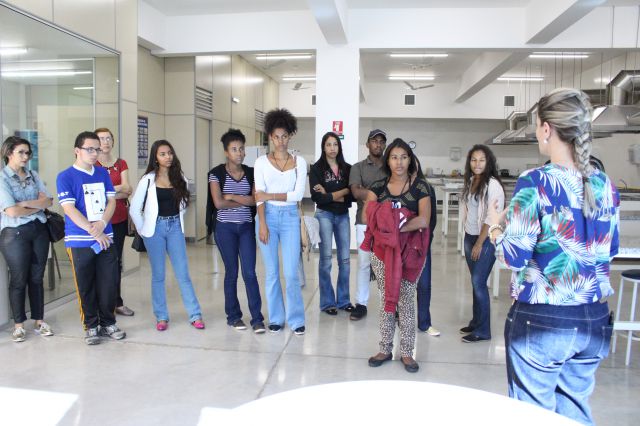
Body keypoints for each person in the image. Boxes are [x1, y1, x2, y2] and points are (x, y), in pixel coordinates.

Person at [488, 88, 619, 425]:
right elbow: (610, 250)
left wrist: (495, 228)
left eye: (537, 126)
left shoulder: (535, 181)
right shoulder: (605, 185)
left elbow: (514, 258)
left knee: (532, 416)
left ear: (546, 129)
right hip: (594, 320)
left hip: (543, 321)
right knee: (574, 413)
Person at [363, 138, 431, 373]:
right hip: (382, 252)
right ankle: (384, 348)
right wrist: (394, 224)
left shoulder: (420, 187)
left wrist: (390, 226)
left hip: (411, 252)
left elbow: (423, 220)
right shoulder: (377, 187)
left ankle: (407, 352)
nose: (399, 162)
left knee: (406, 299)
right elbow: (367, 217)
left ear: (410, 160)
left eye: (403, 157)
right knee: (387, 298)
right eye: (394, 157)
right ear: (388, 160)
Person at [57, 131, 126, 345]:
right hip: (80, 240)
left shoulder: (102, 173)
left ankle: (108, 323)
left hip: (106, 237)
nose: (95, 153)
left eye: (97, 149)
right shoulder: (65, 176)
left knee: (108, 283)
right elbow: (69, 208)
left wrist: (103, 224)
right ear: (77, 151)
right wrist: (93, 230)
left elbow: (111, 201)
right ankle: (91, 326)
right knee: (85, 286)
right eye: (90, 149)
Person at [130, 140, 204, 331]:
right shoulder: (147, 180)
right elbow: (135, 209)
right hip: (154, 230)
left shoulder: (179, 177)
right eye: (162, 154)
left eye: (170, 153)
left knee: (183, 274)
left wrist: (177, 220)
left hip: (175, 228)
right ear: (155, 157)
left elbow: (184, 204)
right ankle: (161, 317)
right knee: (158, 275)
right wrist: (144, 231)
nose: (168, 157)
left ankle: (195, 315)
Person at [254, 108, 307, 335]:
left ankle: (296, 319)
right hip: (267, 217)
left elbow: (297, 195)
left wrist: (269, 195)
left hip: (290, 218)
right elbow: (258, 196)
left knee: (292, 273)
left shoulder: (299, 162)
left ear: (290, 136)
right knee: (272, 273)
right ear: (270, 137)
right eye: (276, 137)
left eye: (284, 136)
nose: (281, 141)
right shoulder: (261, 162)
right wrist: (262, 223)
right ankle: (276, 318)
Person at [208, 129, 265, 333]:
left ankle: (257, 318)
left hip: (246, 228)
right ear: (226, 152)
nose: (239, 153)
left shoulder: (251, 172)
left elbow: (255, 200)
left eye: (241, 149)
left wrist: (231, 196)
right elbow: (218, 203)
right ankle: (233, 316)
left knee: (250, 273)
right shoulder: (216, 173)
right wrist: (242, 200)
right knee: (231, 272)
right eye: (234, 149)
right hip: (225, 229)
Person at [0, 136, 54, 342]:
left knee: (36, 277)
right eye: (21, 152)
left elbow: (48, 201)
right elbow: (12, 212)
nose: (25, 156)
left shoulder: (33, 175)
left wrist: (24, 204)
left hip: (39, 230)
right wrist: (36, 205)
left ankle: (39, 321)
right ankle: (19, 325)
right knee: (19, 279)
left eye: (27, 152)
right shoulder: (3, 179)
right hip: (14, 234)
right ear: (9, 153)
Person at [459, 144, 505, 343]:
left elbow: (491, 218)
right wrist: (468, 236)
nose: (477, 164)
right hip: (470, 236)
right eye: (473, 160)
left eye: (481, 160)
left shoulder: (493, 185)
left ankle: (483, 330)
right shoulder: (471, 181)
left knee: (478, 281)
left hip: (486, 239)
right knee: (476, 281)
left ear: (488, 162)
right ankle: (476, 321)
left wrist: (479, 243)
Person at [309, 131, 354, 316]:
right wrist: (343, 191)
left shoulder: (348, 169)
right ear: (323, 147)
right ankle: (328, 303)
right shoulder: (316, 169)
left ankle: (343, 301)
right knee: (326, 260)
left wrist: (329, 194)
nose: (332, 148)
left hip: (343, 216)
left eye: (335, 144)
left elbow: (352, 196)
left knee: (345, 260)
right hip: (324, 216)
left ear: (339, 146)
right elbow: (317, 198)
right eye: (328, 144)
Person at [348, 129, 387, 321]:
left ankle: (389, 305)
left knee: (386, 265)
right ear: (368, 144)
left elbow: (395, 191)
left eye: (381, 141)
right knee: (364, 264)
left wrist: (368, 193)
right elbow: (356, 192)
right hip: (363, 221)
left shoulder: (390, 166)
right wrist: (381, 195)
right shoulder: (358, 167)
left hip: (386, 223)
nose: (378, 144)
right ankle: (361, 304)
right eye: (374, 141)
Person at [95, 127, 134, 317]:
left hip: (119, 219)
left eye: (108, 138)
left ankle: (117, 302)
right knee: (100, 262)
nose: (106, 142)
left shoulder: (121, 163)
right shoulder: (92, 164)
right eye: (101, 139)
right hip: (99, 221)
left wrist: (107, 191)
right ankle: (101, 304)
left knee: (116, 261)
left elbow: (128, 189)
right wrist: (117, 190)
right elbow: (95, 193)